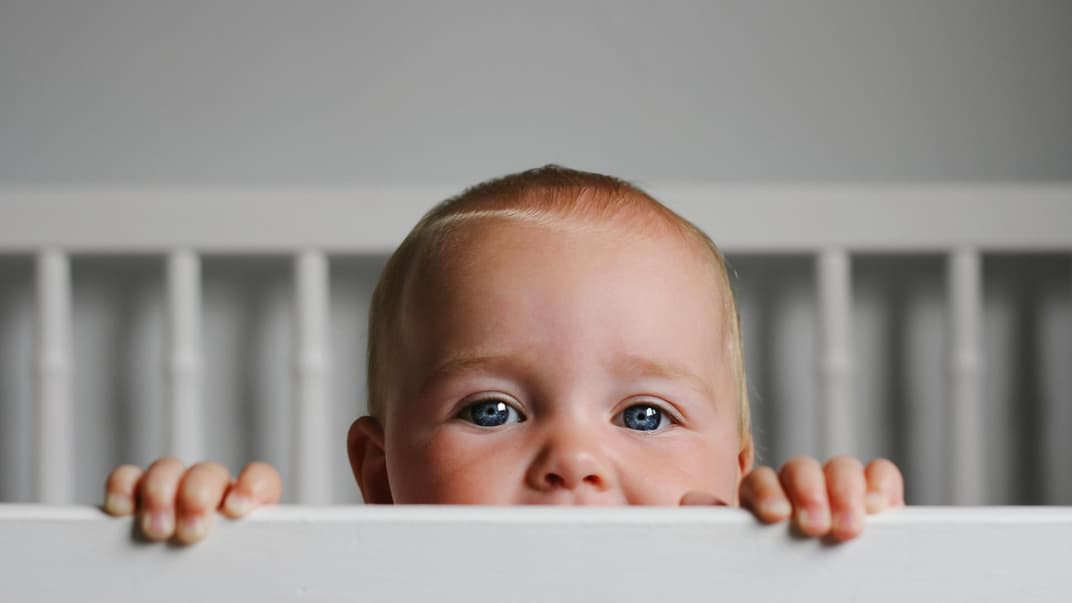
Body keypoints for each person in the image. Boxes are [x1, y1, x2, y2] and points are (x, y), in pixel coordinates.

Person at [103, 165, 904, 544]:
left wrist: (840, 558)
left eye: (646, 414)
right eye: (492, 410)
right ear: (380, 475)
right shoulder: (341, 588)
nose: (573, 460)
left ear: (736, 472)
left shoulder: (754, 584)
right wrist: (195, 557)